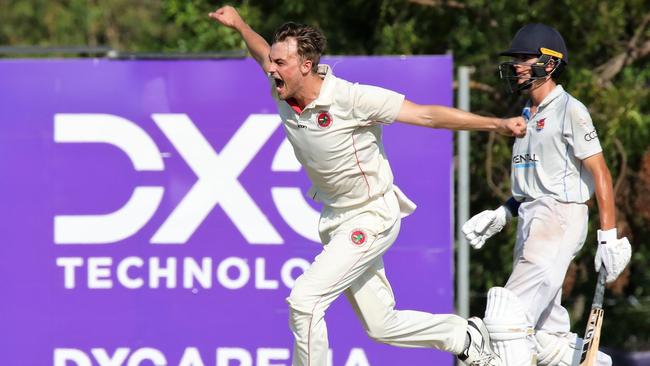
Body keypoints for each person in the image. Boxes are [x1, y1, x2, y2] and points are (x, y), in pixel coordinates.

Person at [209, 6, 526, 366]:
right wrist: (239, 24)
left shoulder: (351, 98)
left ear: (306, 65)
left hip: (372, 215)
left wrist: (497, 124)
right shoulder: (283, 86)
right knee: (381, 325)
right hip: (335, 220)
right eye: (272, 62)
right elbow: (261, 50)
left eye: (280, 63)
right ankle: (462, 336)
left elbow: (425, 115)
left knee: (305, 302)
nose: (270, 68)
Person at [462, 23, 632, 366]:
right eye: (516, 59)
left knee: (505, 318)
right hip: (531, 220)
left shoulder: (570, 109)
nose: (517, 65)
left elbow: (600, 171)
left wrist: (609, 236)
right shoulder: (526, 115)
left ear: (550, 64)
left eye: (525, 58)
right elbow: (535, 184)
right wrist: (503, 213)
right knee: (542, 337)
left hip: (559, 217)